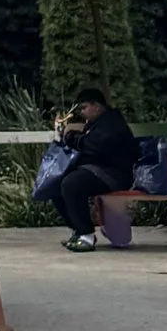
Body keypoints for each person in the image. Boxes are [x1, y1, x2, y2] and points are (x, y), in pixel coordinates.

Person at [48, 86, 139, 249]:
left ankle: (86, 235)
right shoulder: (96, 123)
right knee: (55, 184)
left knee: (72, 184)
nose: (81, 112)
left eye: (84, 107)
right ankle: (77, 229)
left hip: (115, 174)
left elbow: (94, 146)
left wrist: (71, 137)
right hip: (98, 170)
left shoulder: (112, 124)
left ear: (96, 106)